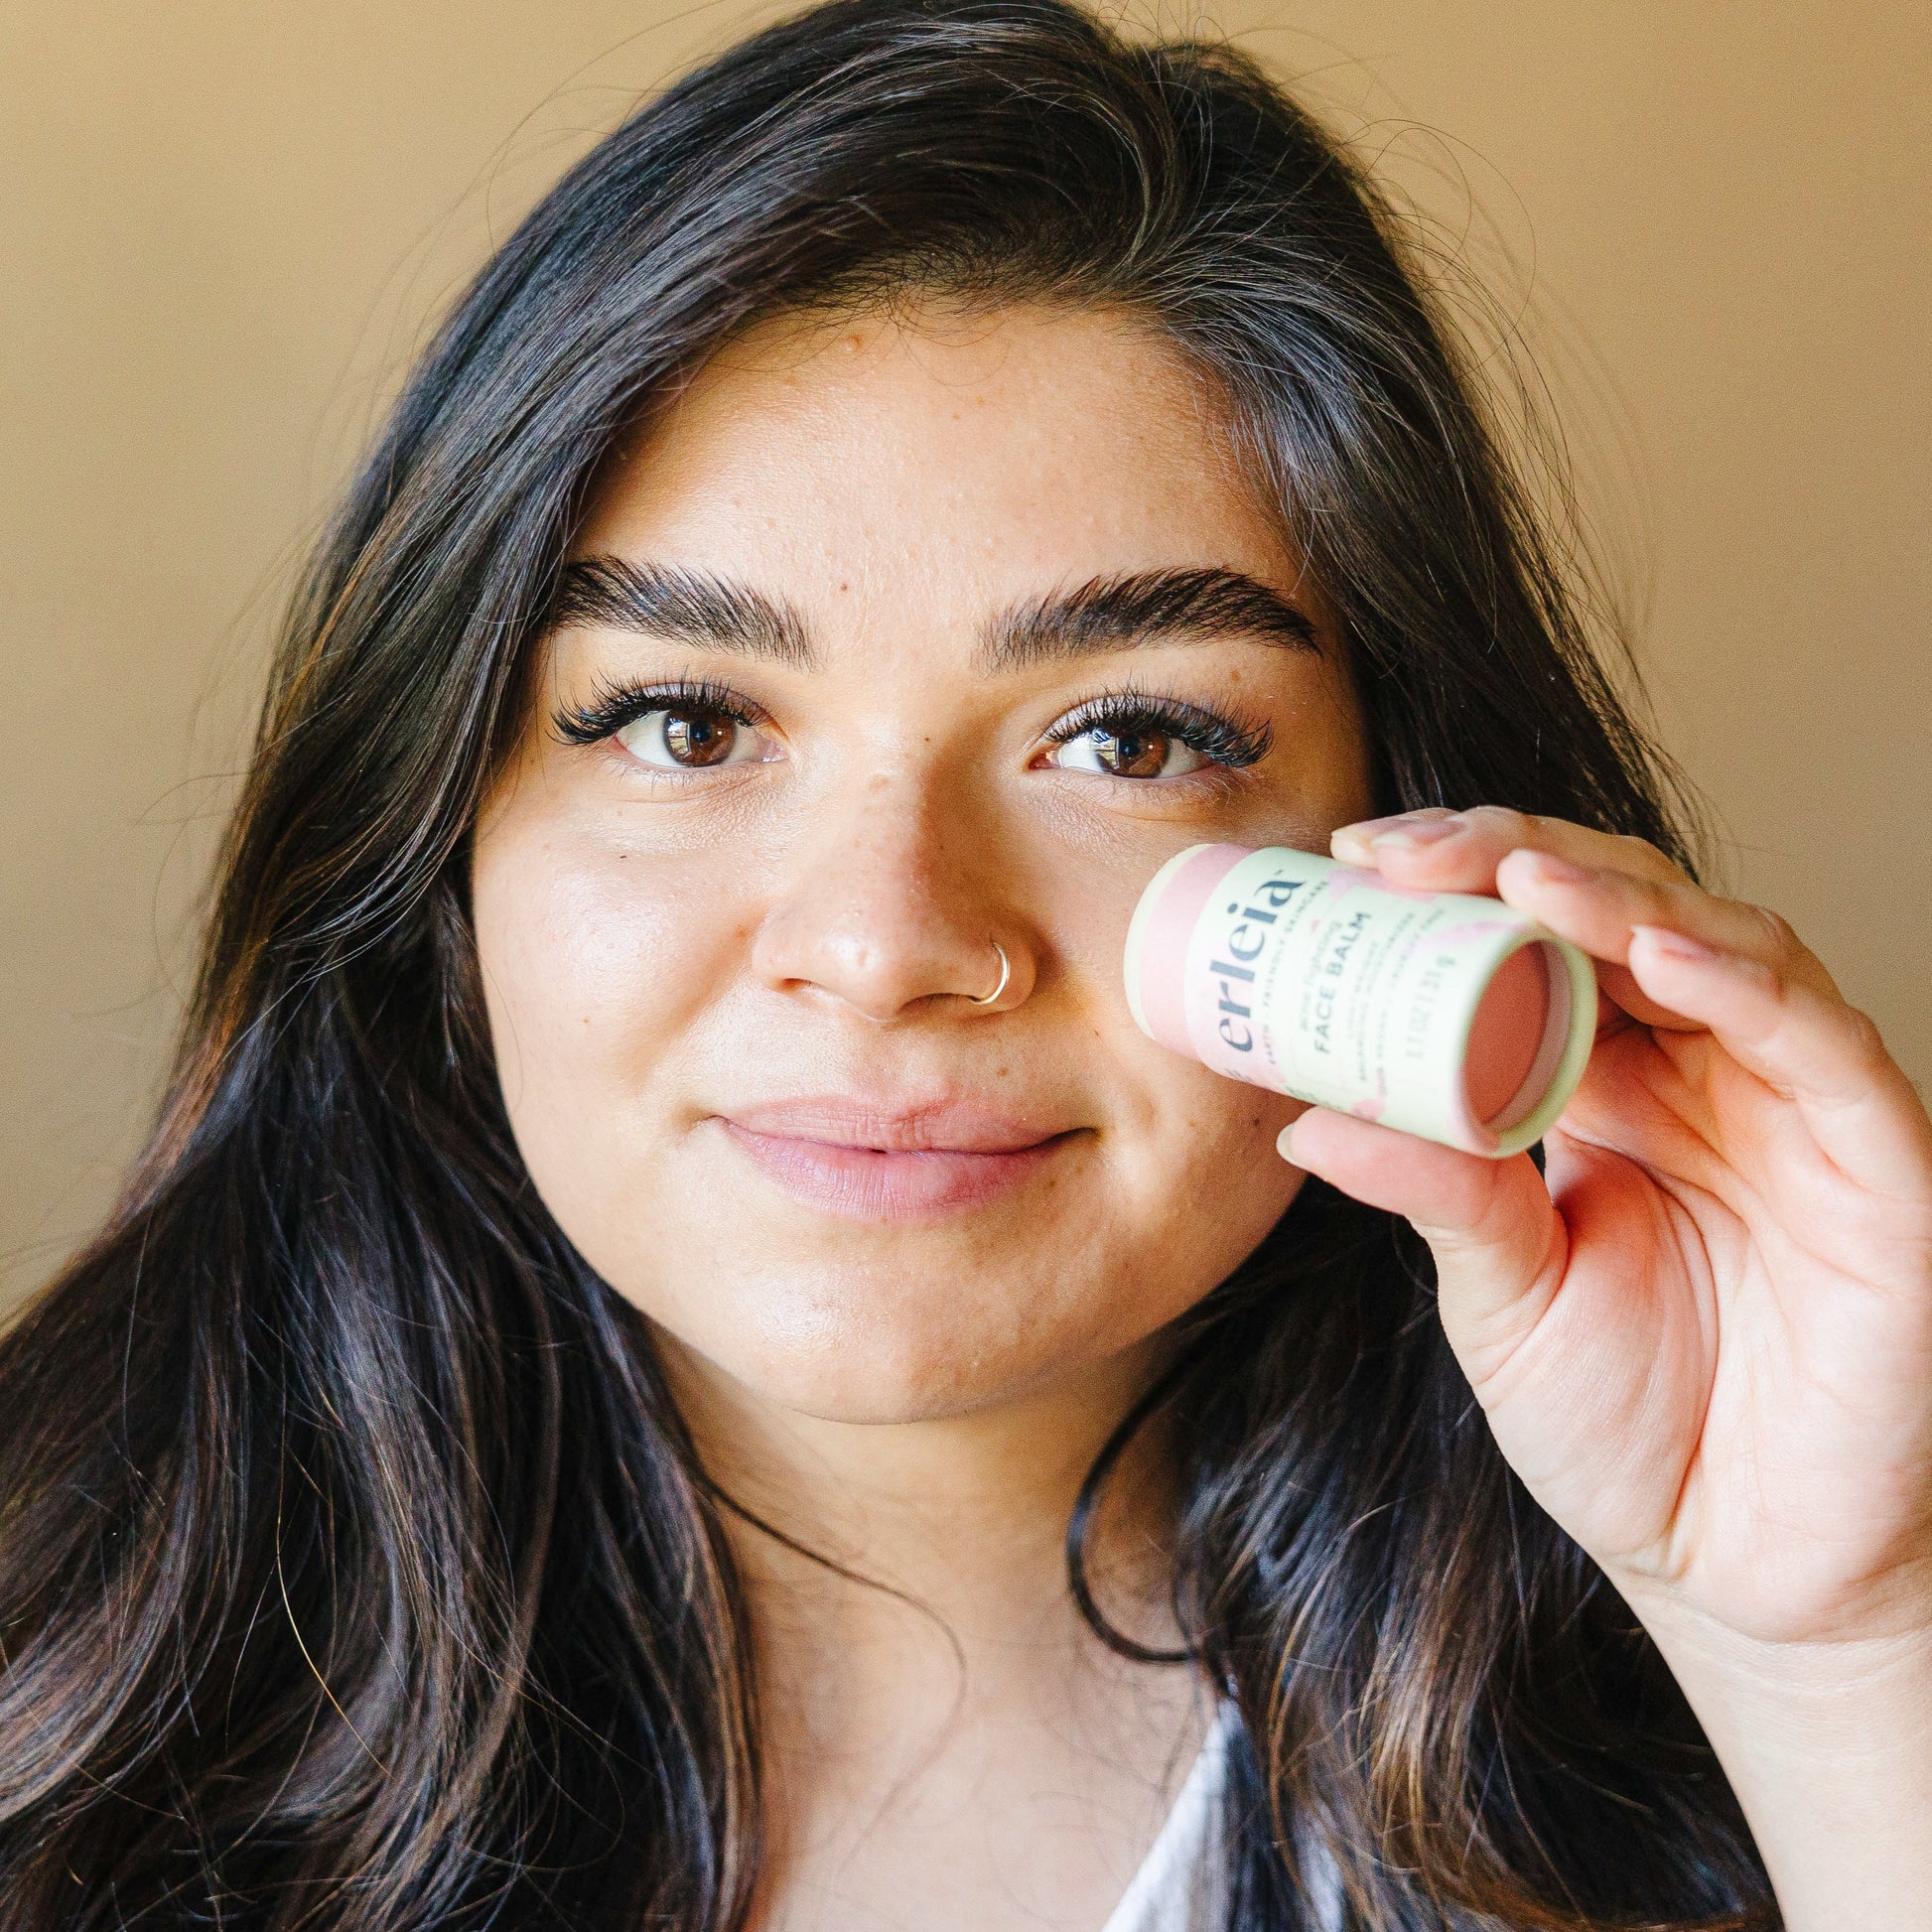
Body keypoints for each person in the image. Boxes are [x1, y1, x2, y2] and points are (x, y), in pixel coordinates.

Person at [2, 2, 1927, 1926]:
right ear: (441, 835)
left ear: (1404, 844)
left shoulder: (1752, 1712)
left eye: (1131, 739)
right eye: (683, 720)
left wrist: (1834, 1649)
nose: (886, 942)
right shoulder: (53, 1711)